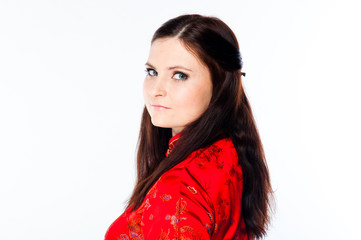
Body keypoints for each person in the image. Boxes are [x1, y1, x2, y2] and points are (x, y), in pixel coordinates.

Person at [105, 14, 273, 240]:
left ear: (220, 85)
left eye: (179, 75)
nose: (157, 89)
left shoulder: (177, 189)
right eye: (152, 72)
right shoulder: (228, 150)